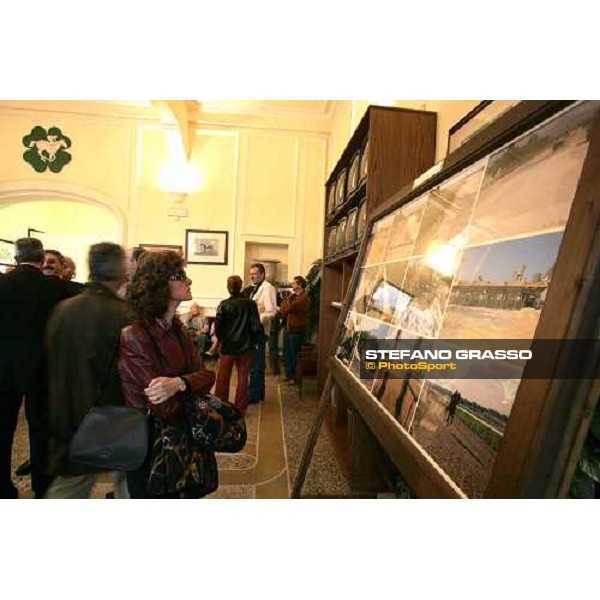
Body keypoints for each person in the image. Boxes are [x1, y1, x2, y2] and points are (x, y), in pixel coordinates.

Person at [118, 251, 216, 499]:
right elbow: (165, 406)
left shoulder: (177, 328)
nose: (188, 280)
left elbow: (207, 376)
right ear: (157, 283)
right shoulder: (135, 334)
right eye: (179, 275)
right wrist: (187, 387)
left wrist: (180, 383)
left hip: (180, 439)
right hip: (150, 444)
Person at [45, 243, 133, 499]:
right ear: (120, 272)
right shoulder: (124, 314)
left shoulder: (64, 309)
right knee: (128, 482)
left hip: (67, 413)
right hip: (111, 417)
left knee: (68, 488)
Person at [0, 238, 79, 498]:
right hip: (42, 368)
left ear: (15, 257)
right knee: (41, 430)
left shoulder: (3, 284)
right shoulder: (55, 287)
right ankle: (42, 486)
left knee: (3, 428)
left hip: (3, 367)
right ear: (41, 257)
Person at [214, 276, 264, 415]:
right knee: (243, 378)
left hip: (228, 347)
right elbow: (255, 326)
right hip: (245, 346)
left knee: (223, 378)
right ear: (241, 286)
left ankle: (220, 406)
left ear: (228, 287)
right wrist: (255, 342)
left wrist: (222, 339)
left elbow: (218, 327)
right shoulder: (250, 304)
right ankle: (240, 409)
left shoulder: (224, 304)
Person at [245, 263, 277, 403]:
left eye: (255, 273)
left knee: (256, 364)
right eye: (251, 273)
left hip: (259, 331)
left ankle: (254, 395)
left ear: (263, 275)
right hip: (252, 331)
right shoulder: (253, 288)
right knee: (256, 363)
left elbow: (272, 311)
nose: (252, 276)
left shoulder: (268, 288)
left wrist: (257, 321)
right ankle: (259, 393)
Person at [280, 276, 310, 384]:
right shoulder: (293, 296)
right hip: (288, 327)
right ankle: (289, 376)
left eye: (294, 283)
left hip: (296, 329)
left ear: (300, 285)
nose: (292, 285)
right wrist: (286, 303)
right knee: (287, 353)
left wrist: (286, 303)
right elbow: (283, 309)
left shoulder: (304, 297)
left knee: (294, 354)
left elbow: (288, 308)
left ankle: (295, 378)